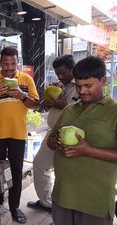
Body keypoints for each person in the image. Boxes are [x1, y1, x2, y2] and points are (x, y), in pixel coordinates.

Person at [47, 56, 117, 225]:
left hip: (93, 201)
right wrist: (54, 141)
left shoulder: (113, 112)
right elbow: (50, 140)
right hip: (63, 196)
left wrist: (88, 150)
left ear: (103, 81)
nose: (82, 91)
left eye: (88, 86)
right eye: (78, 86)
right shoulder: (69, 110)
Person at [0, 47, 39, 224]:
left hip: (18, 134)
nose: (10, 68)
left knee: (16, 172)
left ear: (17, 62)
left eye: (13, 64)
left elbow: (35, 105)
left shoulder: (26, 79)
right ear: (0, 63)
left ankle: (14, 207)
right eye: (6, 64)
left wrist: (22, 95)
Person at [27, 55, 78, 212]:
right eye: (57, 74)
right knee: (41, 165)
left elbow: (76, 111)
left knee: (63, 172)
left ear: (72, 70)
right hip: (53, 132)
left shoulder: (79, 86)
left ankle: (61, 206)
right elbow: (54, 108)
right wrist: (50, 101)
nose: (60, 77)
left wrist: (60, 102)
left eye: (63, 73)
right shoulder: (62, 86)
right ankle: (47, 202)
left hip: (69, 136)